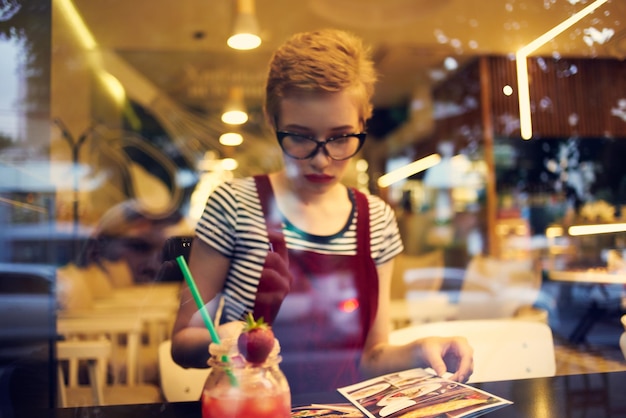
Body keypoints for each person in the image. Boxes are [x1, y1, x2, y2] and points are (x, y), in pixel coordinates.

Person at [170, 28, 473, 394]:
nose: (321, 160)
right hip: (251, 406)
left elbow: (372, 355)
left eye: (341, 137)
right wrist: (223, 338)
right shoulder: (233, 205)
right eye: (299, 136)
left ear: (363, 122)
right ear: (272, 121)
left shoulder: (376, 220)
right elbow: (183, 342)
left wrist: (421, 350)